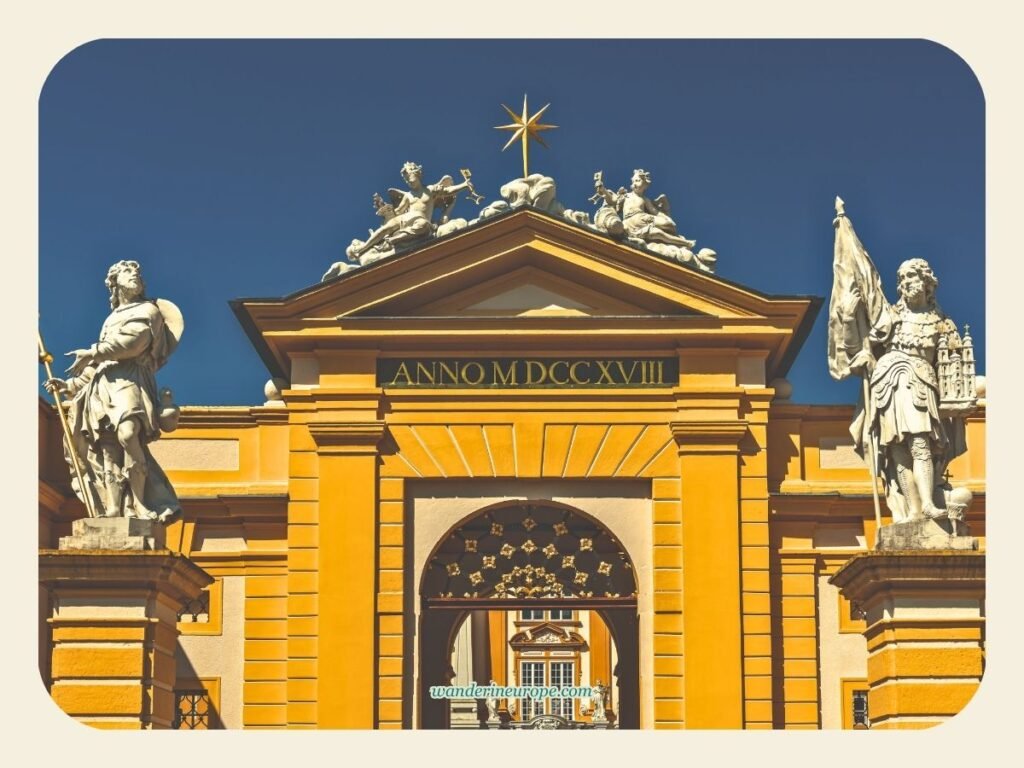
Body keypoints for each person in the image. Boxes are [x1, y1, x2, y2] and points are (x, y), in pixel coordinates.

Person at [45, 260, 181, 522]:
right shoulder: (111, 318)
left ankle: (142, 503)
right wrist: (70, 386)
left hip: (131, 381)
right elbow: (98, 365)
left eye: (138, 273)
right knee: (107, 448)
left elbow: (134, 343)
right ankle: (114, 508)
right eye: (130, 272)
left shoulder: (148, 311)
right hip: (103, 386)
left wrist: (92, 351)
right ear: (115, 282)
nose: (136, 276)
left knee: (128, 434)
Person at [848, 258, 970, 522]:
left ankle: (927, 502)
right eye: (901, 279)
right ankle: (913, 509)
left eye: (910, 278)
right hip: (888, 383)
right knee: (896, 450)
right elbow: (861, 346)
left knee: (920, 444)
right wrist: (849, 317)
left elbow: (953, 366)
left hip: (920, 384)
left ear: (926, 283)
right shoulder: (890, 317)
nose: (904, 284)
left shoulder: (943, 324)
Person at [347, 162, 476, 261]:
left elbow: (448, 191)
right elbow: (398, 211)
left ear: (417, 173)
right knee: (385, 229)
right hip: (405, 218)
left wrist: (464, 185)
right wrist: (386, 209)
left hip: (420, 218)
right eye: (405, 179)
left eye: (408, 175)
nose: (407, 180)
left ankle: (395, 240)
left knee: (423, 226)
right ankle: (363, 248)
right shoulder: (408, 195)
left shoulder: (430, 190)